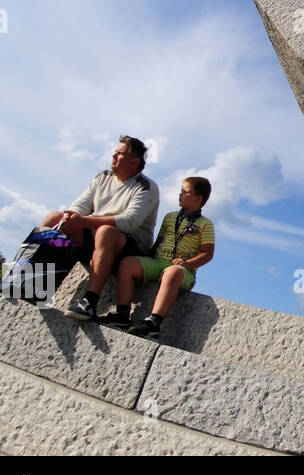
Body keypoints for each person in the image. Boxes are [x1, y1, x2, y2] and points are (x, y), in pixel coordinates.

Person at [43, 136, 160, 322]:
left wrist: (84, 221)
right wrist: (70, 217)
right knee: (54, 218)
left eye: (120, 153)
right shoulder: (103, 177)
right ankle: (35, 281)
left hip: (129, 248)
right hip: (96, 240)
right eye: (115, 151)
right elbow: (80, 206)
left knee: (105, 231)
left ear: (135, 161)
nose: (113, 155)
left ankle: (90, 302)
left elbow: (129, 222)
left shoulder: (147, 187)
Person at [102, 177, 215, 341]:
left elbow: (208, 253)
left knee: (172, 273)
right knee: (127, 264)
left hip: (182, 270)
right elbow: (159, 241)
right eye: (181, 190)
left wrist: (188, 263)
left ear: (198, 199)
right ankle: (122, 314)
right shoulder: (170, 217)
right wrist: (145, 259)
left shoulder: (205, 224)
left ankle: (153, 323)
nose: (180, 194)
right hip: (158, 262)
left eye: (185, 191)